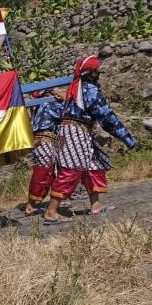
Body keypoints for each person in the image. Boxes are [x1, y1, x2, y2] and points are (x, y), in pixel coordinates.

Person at [44, 56, 137, 225]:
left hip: (80, 131)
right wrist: (127, 138)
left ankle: (96, 205)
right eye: (97, 70)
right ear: (92, 72)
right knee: (72, 169)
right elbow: (107, 117)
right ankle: (51, 211)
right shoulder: (89, 90)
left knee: (94, 165)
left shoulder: (77, 88)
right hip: (76, 132)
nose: (99, 72)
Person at [25, 89, 64, 216]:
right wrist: (63, 99)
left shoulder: (38, 105)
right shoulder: (46, 104)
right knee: (42, 172)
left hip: (46, 140)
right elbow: (61, 113)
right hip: (44, 139)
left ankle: (50, 201)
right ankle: (30, 206)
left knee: (48, 172)